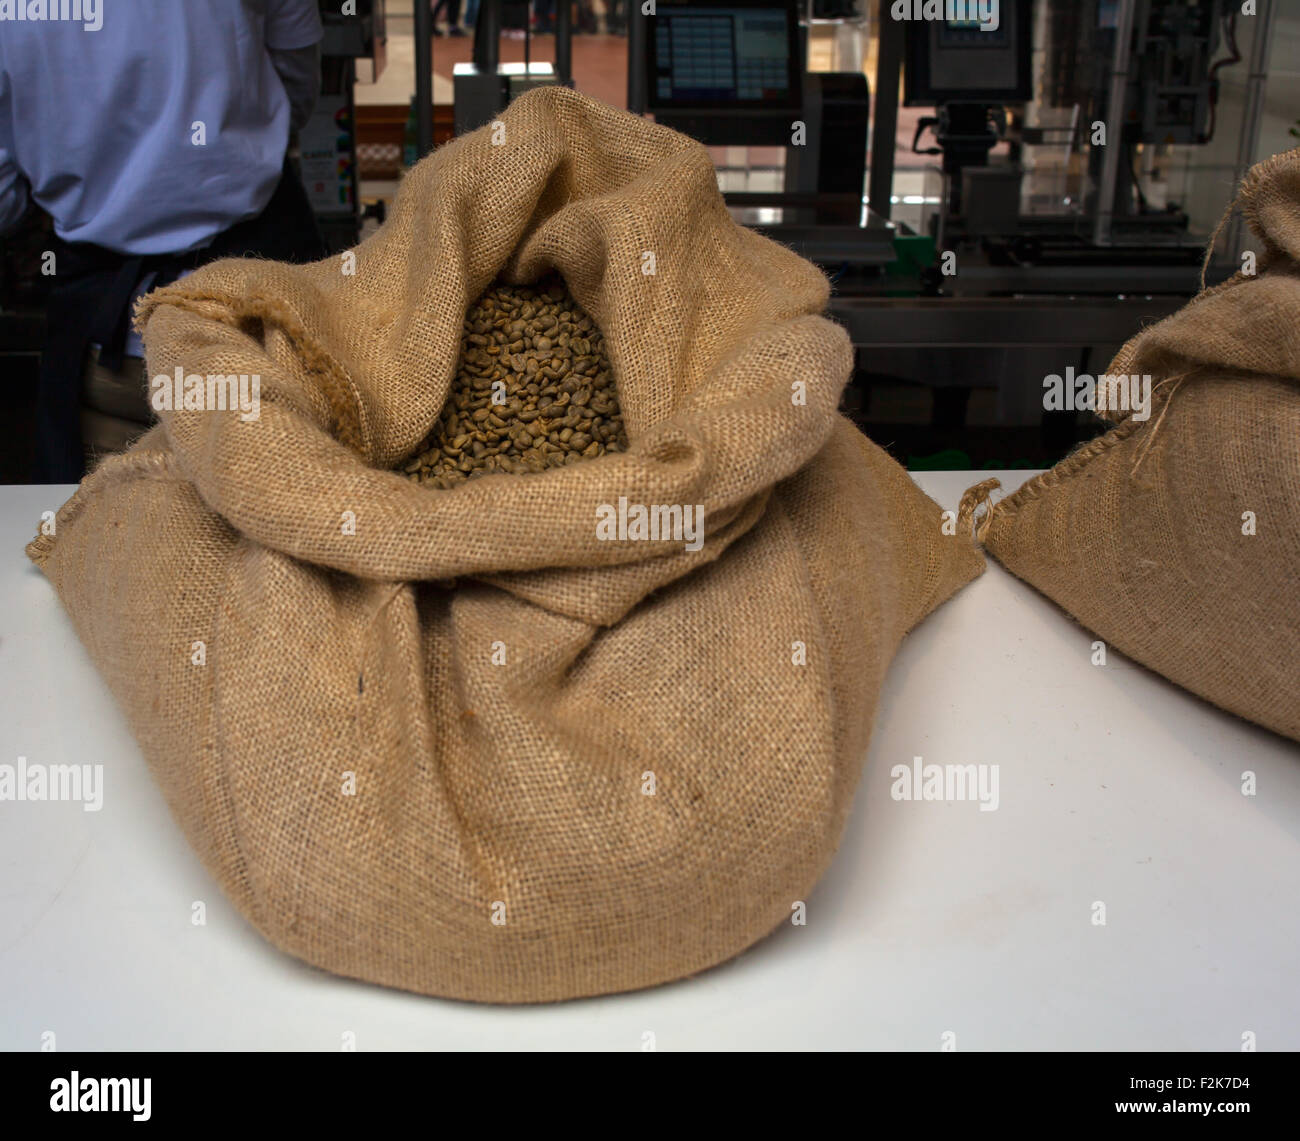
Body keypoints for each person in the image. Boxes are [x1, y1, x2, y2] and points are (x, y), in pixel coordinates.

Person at [0, 1, 328, 483]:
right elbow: (294, 87)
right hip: (262, 333)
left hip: (111, 355)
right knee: (289, 519)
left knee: (116, 538)